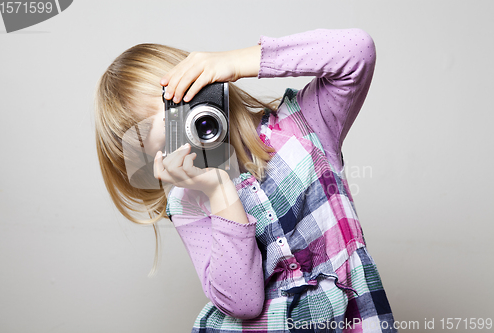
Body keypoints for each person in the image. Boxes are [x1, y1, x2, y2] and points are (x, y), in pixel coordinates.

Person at [94, 28, 397, 332]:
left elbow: (357, 50)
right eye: (169, 142)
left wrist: (237, 62)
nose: (189, 137)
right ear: (153, 161)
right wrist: (218, 190)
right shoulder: (189, 202)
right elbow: (243, 302)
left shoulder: (303, 125)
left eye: (183, 114)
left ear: (204, 86)